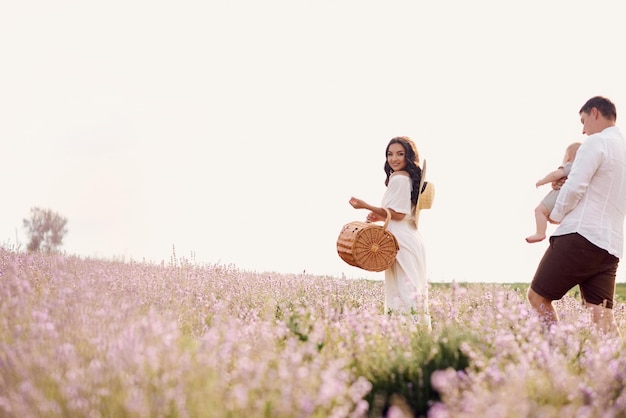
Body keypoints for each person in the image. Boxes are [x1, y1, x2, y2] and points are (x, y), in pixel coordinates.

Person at [527, 96, 626, 335]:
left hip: (581, 236)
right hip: (610, 247)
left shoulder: (596, 142)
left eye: (583, 121)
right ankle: (617, 366)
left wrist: (556, 213)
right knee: (602, 318)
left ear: (595, 113)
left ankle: (557, 352)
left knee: (537, 297)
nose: (583, 130)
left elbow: (575, 186)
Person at [348, 136, 431, 329]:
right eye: (390, 154)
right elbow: (399, 213)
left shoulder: (400, 178)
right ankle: (414, 336)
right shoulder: (404, 178)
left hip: (401, 241)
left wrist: (364, 205)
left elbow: (399, 215)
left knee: (403, 292)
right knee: (410, 292)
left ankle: (406, 336)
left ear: (409, 157)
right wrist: (379, 216)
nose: (394, 158)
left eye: (400, 154)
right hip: (407, 238)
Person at [526, 142, 581, 243]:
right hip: (568, 200)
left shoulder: (569, 166)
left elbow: (555, 175)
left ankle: (540, 233)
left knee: (539, 210)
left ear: (568, 156)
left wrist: (542, 181)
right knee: (547, 215)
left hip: (557, 195)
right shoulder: (580, 170)